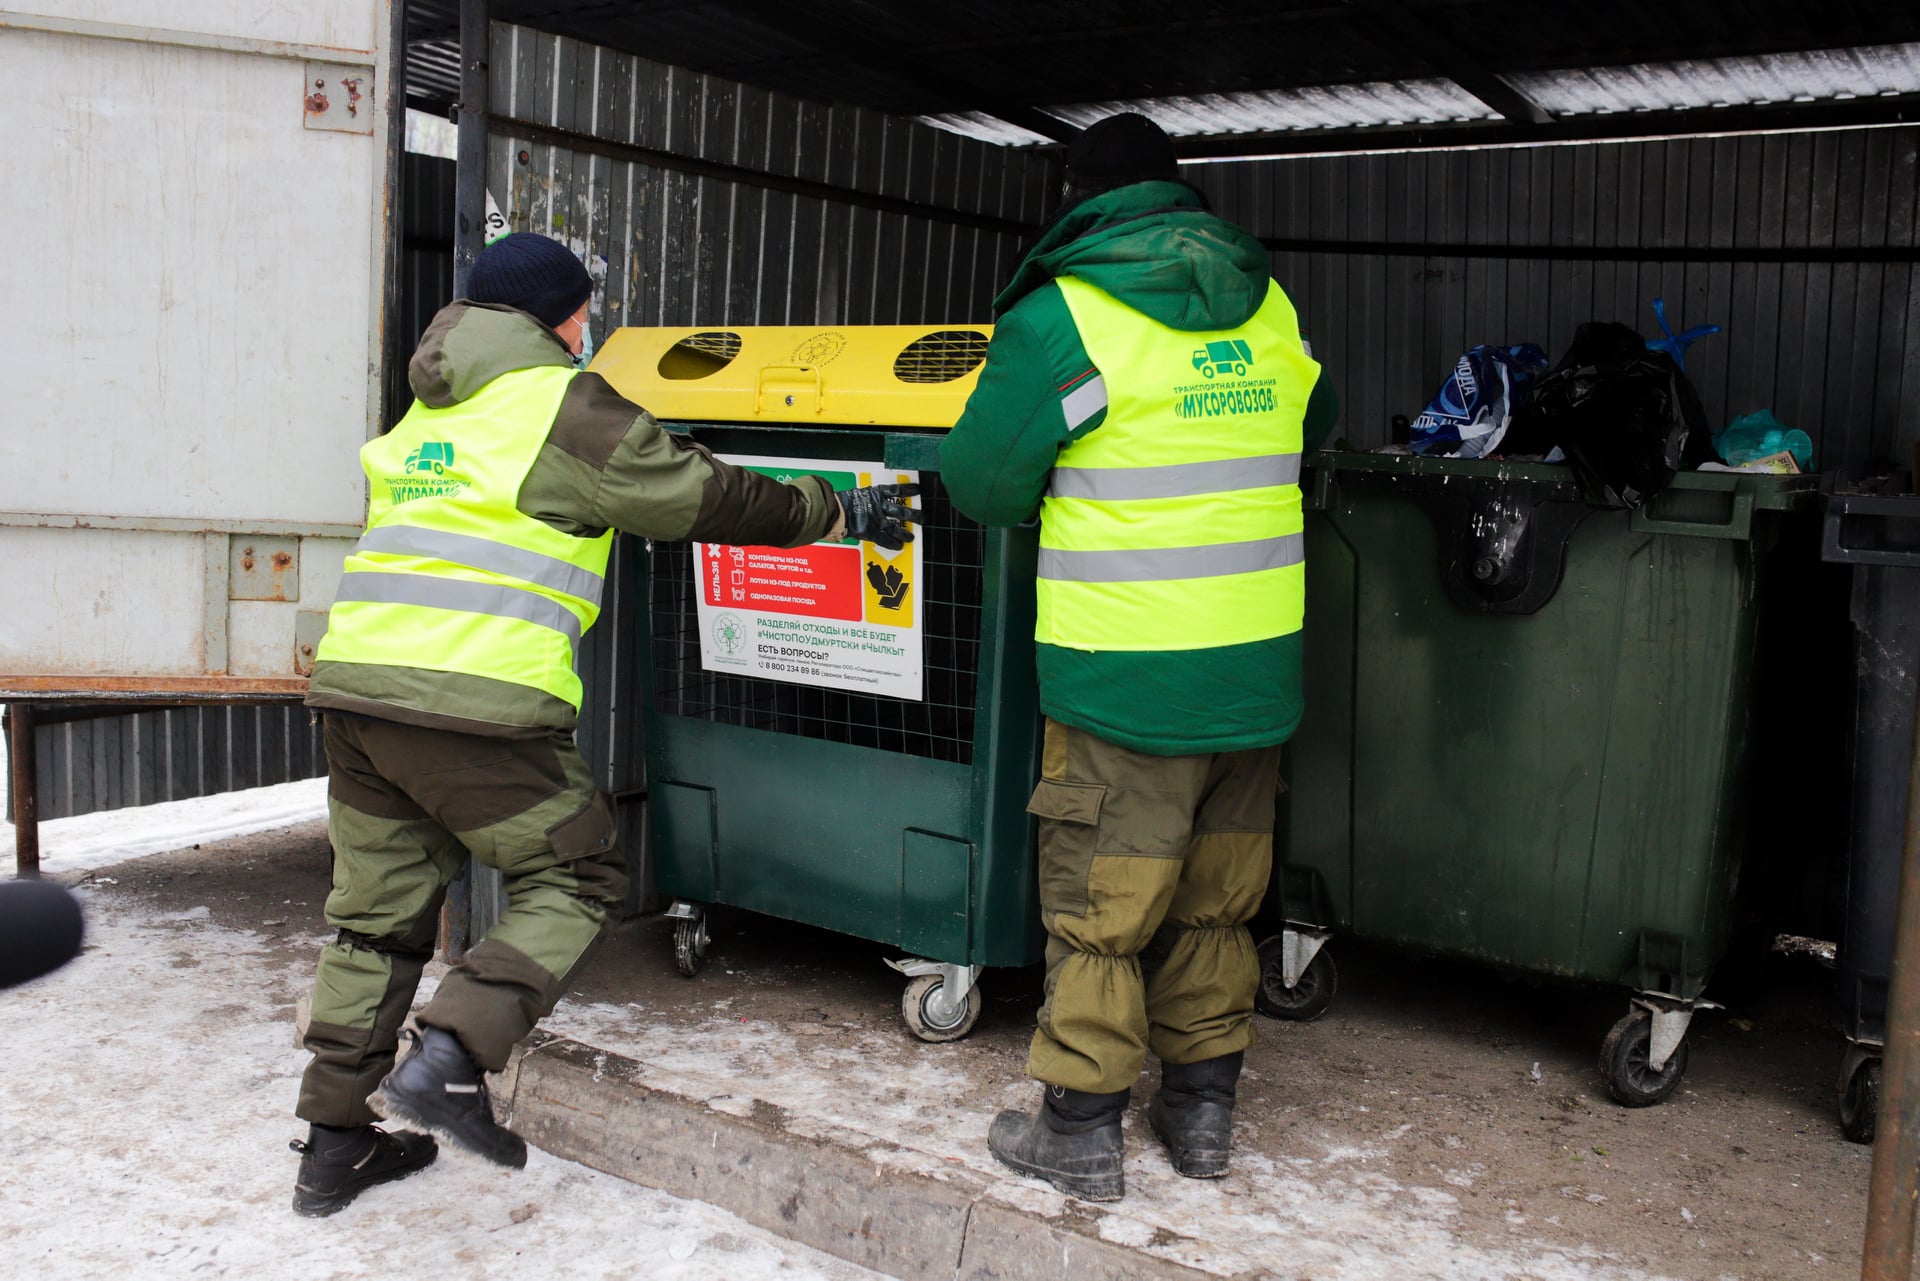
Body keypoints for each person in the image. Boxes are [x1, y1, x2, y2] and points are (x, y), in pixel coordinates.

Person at [289, 232, 917, 1217]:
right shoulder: (562, 405)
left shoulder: (424, 414)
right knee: (576, 873)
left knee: (373, 922)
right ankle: (451, 1054)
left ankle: (333, 1146)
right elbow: (697, 492)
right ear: (563, 317)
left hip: (361, 696)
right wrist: (830, 512)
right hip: (472, 703)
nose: (592, 328)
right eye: (586, 312)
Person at [939, 113, 1338, 1201]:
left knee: (1100, 909)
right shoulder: (1271, 305)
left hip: (1125, 676)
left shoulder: (1069, 313)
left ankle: (1078, 1128)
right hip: (1252, 669)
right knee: (1218, 900)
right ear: (1178, 194)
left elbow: (982, 482)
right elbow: (1315, 437)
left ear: (1076, 195)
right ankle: (1202, 1114)